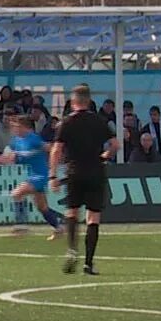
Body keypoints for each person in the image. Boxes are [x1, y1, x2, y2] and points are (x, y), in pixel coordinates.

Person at [50, 85, 119, 276]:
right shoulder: (100, 121)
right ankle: (89, 263)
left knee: (72, 211)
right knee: (93, 217)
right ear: (88, 101)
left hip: (74, 171)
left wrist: (53, 175)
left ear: (73, 102)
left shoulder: (66, 122)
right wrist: (105, 155)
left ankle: (72, 250)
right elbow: (115, 144)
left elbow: (56, 150)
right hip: (96, 171)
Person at [0, 116, 64, 239]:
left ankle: (21, 225)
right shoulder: (16, 142)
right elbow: (15, 158)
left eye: (16, 126)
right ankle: (59, 228)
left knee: (16, 193)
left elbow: (51, 148)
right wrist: (1, 160)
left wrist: (57, 158)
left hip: (41, 175)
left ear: (24, 127)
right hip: (33, 174)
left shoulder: (33, 139)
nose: (13, 129)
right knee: (42, 208)